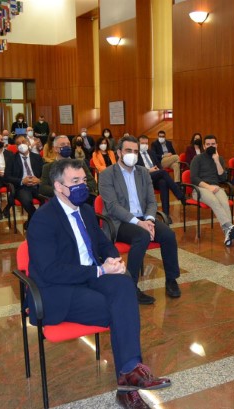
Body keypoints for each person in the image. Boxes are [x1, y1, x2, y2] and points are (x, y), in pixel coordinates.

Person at [27, 159, 171, 409]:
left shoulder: (84, 210)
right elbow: (50, 271)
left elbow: (101, 242)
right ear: (59, 187)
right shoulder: (43, 220)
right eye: (75, 182)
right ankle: (128, 385)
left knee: (125, 287)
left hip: (91, 277)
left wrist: (114, 258)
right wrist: (99, 270)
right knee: (118, 311)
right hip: (60, 290)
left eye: (83, 180)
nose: (82, 186)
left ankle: (130, 374)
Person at [99, 136, 182, 305]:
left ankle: (171, 280)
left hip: (144, 218)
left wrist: (149, 220)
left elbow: (151, 201)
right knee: (142, 236)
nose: (132, 154)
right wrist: (140, 224)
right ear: (119, 152)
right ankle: (130, 287)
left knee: (168, 235)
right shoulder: (107, 174)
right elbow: (113, 206)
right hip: (119, 222)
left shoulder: (143, 172)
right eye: (128, 150)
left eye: (135, 151)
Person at [190, 135, 234, 246]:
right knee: (214, 201)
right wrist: (208, 187)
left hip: (215, 187)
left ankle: (228, 235)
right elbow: (193, 178)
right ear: (204, 146)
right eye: (208, 144)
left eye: (213, 144)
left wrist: (217, 161)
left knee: (224, 202)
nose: (210, 146)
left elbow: (223, 178)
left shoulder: (220, 159)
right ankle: (229, 228)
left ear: (216, 145)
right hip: (200, 189)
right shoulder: (197, 158)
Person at [137, 135, 185, 221]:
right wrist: (149, 170)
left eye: (146, 143)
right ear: (138, 144)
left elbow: (159, 165)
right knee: (163, 173)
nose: (145, 145)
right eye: (142, 143)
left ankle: (166, 215)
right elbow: (136, 170)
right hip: (144, 177)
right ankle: (179, 194)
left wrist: (158, 169)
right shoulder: (135, 154)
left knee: (163, 182)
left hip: (156, 176)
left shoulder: (151, 152)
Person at [40, 135, 96, 206]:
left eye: (68, 144)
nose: (67, 146)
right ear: (55, 149)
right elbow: (43, 188)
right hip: (59, 201)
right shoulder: (47, 167)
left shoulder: (80, 163)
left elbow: (92, 183)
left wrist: (79, 188)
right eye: (63, 144)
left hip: (82, 198)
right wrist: (63, 191)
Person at [5, 136, 43, 229]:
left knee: (46, 197)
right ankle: (38, 220)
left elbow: (44, 173)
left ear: (28, 143)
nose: (21, 144)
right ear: (16, 147)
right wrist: (22, 181)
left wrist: (39, 180)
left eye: (23, 141)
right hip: (21, 187)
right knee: (26, 200)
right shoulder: (12, 159)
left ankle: (31, 222)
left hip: (36, 185)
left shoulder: (37, 157)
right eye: (18, 144)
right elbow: (6, 177)